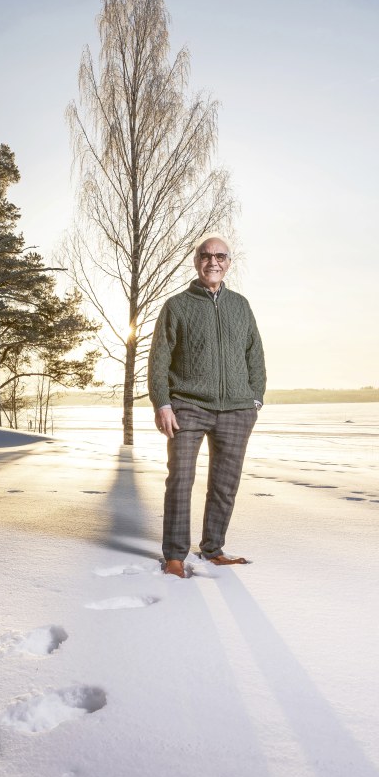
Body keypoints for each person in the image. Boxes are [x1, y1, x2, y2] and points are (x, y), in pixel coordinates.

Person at [147, 233, 266, 579]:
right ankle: (174, 556)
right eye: (206, 255)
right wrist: (163, 403)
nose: (213, 261)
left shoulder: (240, 305)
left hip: (237, 409)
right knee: (181, 479)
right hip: (188, 406)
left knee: (225, 484)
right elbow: (158, 360)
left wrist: (254, 397)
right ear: (196, 260)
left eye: (220, 256)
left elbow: (254, 353)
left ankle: (213, 549)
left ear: (229, 262)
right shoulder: (177, 306)